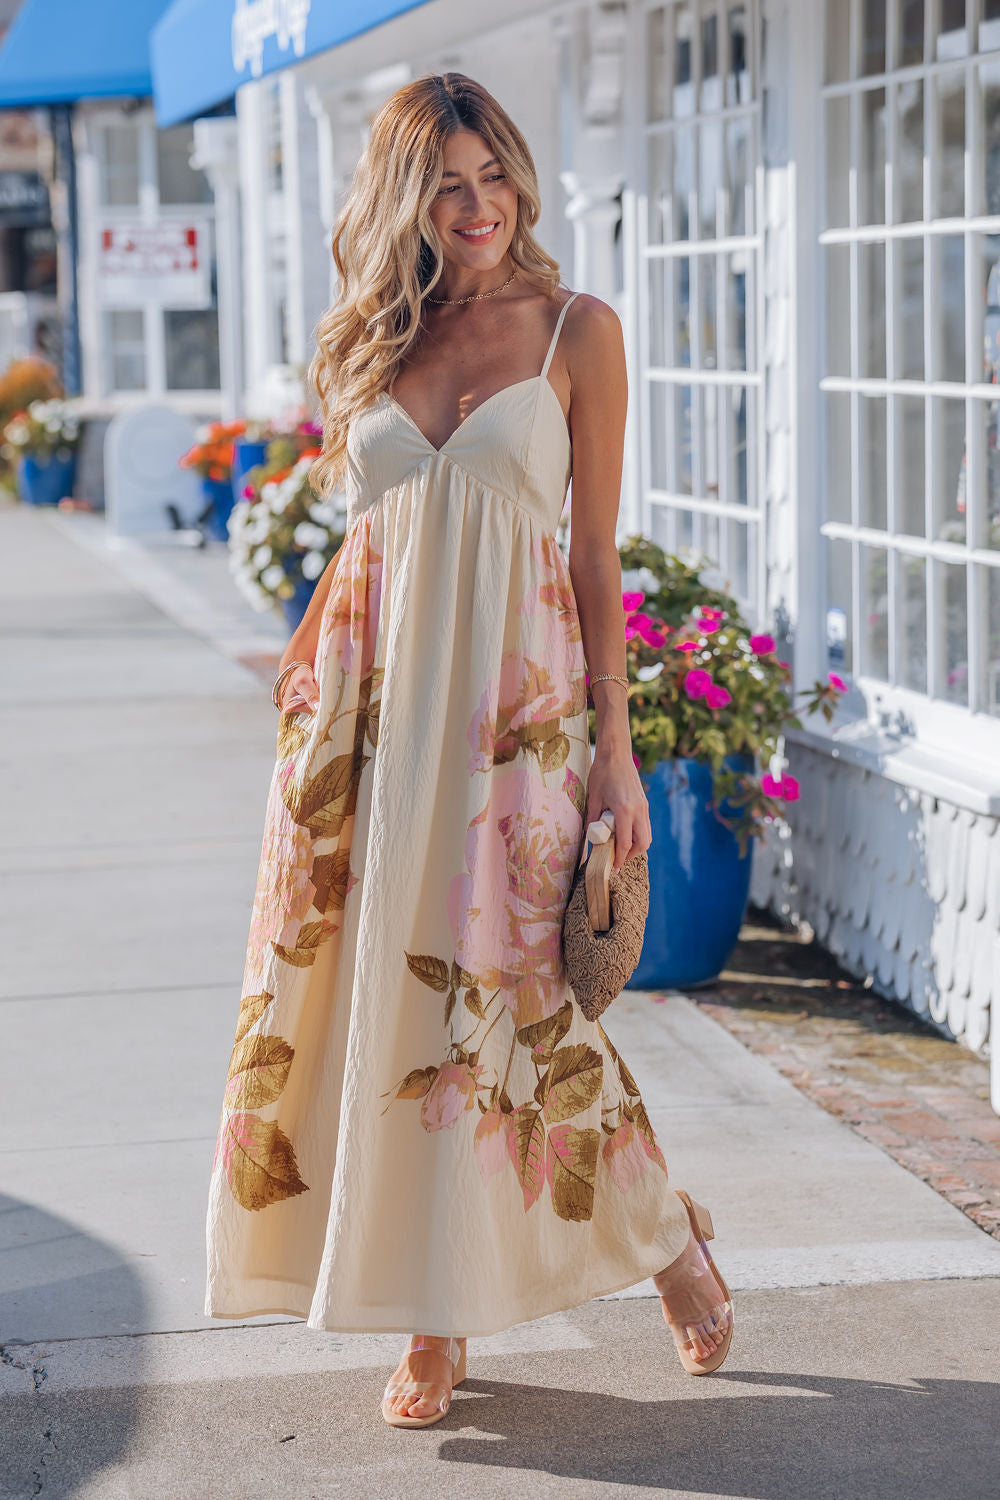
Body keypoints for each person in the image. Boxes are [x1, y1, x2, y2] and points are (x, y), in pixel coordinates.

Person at [204, 71, 734, 1430]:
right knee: (391, 1011)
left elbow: (596, 556)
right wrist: (306, 650)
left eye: (493, 171)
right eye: (447, 180)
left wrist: (616, 755)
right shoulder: (373, 347)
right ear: (405, 197)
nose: (479, 202)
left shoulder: (575, 333)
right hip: (368, 729)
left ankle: (667, 1240)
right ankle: (429, 1324)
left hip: (520, 725)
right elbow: (379, 528)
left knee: (523, 1007)